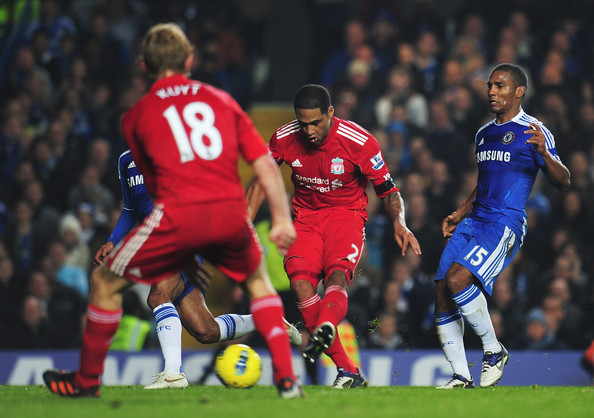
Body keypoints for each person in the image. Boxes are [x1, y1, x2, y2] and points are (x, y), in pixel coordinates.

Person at [42, 22, 303, 399]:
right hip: (228, 212)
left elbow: (163, 190)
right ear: (190, 60)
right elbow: (262, 162)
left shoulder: (137, 118)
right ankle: (285, 377)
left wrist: (184, 247)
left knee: (115, 286)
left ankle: (100, 381)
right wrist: (280, 217)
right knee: (212, 324)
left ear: (145, 65)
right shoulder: (221, 100)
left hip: (180, 218)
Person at [246, 83, 421, 388]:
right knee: (300, 284)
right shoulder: (284, 138)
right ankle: (348, 368)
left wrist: (400, 222)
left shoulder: (359, 142)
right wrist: (245, 224)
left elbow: (388, 190)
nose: (310, 131)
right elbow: (262, 178)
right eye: (303, 123)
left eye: (316, 122)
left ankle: (327, 330)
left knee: (336, 278)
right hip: (306, 220)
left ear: (330, 112)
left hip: (346, 217)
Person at [93, 149, 301, 389]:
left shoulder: (174, 152)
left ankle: (173, 373)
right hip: (155, 245)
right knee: (206, 331)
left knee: (158, 296)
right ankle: (269, 320)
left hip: (180, 238)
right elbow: (131, 210)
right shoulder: (125, 160)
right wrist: (112, 241)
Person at [434, 63, 570, 389]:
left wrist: (545, 155)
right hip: (476, 218)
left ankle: (494, 351)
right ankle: (459, 375)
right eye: (490, 86)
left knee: (457, 280)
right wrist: (461, 212)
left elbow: (563, 180)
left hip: (504, 222)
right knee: (440, 290)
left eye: (500, 86)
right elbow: (484, 183)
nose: (492, 92)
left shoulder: (534, 130)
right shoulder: (483, 133)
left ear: (519, 91)